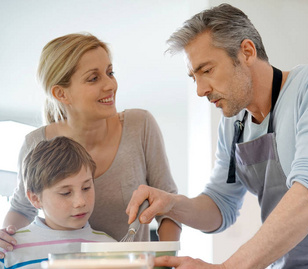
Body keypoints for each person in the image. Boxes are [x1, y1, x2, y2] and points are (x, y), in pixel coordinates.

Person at [126, 3, 308, 269]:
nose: (200, 90)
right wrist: (171, 204)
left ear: (247, 51)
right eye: (194, 77)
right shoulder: (233, 126)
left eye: (207, 70)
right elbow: (220, 206)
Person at [0, 33, 181, 257]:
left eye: (110, 73)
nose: (110, 85)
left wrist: (167, 261)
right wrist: (5, 239)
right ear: (61, 93)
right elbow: (21, 208)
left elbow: (168, 205)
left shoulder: (140, 125)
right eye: (93, 78)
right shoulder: (36, 143)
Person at [0, 137, 117, 269]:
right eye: (66, 193)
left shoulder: (112, 248)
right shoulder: (9, 249)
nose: (80, 202)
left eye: (86, 188)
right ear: (35, 199)